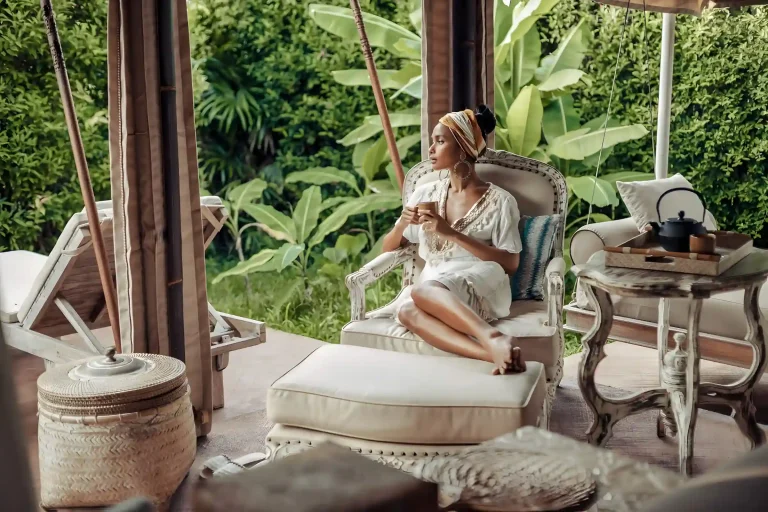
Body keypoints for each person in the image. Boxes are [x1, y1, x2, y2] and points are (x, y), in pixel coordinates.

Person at [378, 105, 526, 375]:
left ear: (463, 147)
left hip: (479, 277)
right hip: (436, 281)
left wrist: (452, 234)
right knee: (406, 312)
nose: (431, 149)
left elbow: (511, 263)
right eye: (432, 141)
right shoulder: (426, 193)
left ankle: (490, 336)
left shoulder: (501, 201)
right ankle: (494, 353)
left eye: (440, 141)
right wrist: (402, 223)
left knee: (420, 291)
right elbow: (388, 248)